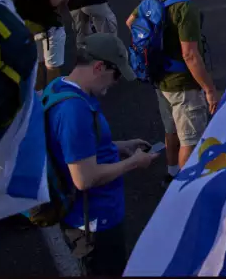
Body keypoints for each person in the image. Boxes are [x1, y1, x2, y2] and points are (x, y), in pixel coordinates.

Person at [43, 33, 159, 276]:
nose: (115, 83)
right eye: (116, 75)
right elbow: (84, 178)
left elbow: (78, 147)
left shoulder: (59, 86)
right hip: (94, 222)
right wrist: (133, 162)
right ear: (98, 67)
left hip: (91, 217)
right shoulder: (74, 110)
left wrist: (120, 146)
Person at [127, 0, 217, 184]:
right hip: (182, 85)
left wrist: (157, 49)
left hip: (161, 78)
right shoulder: (185, 8)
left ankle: (172, 171)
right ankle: (185, 190)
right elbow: (190, 55)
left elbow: (131, 22)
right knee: (191, 140)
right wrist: (209, 89)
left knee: (172, 128)